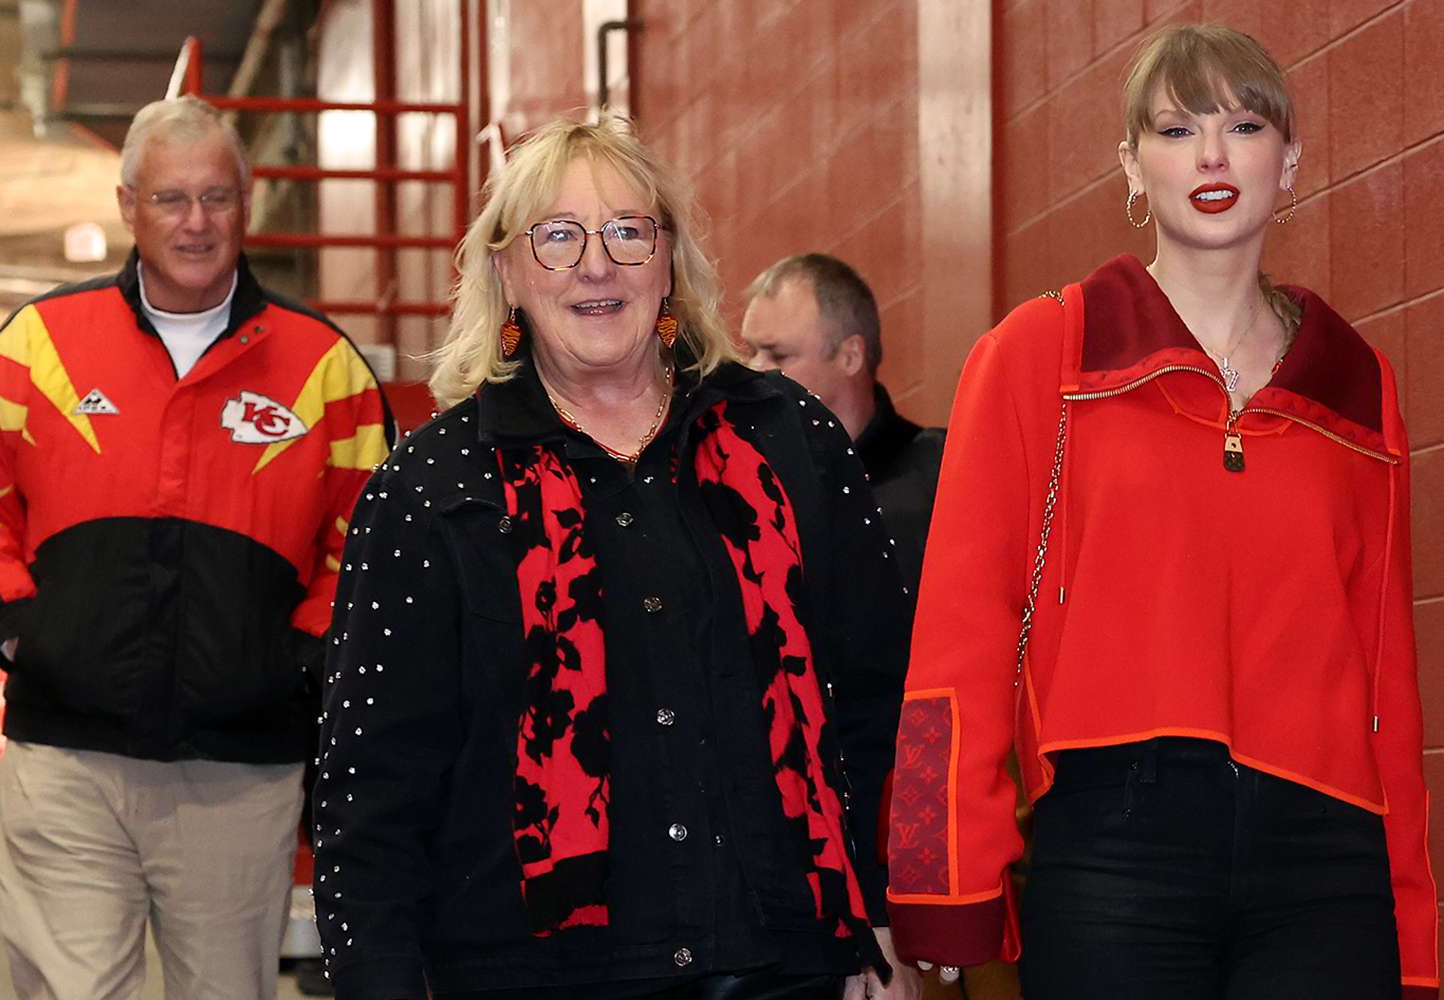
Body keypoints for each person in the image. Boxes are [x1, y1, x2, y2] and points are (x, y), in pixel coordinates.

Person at [312, 116, 921, 1000]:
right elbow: (369, 793)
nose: (596, 265)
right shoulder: (430, 488)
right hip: (529, 976)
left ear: (668, 261)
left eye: (628, 232)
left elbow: (877, 703)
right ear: (505, 272)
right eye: (557, 237)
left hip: (786, 960)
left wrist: (884, 919)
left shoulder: (790, 439)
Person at [887, 23, 1436, 1000]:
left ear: (1291, 161)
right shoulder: (1041, 354)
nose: (1214, 154)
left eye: (1245, 123)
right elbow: (957, 639)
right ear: (1132, 169)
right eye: (1177, 130)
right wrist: (942, 879)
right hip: (1111, 856)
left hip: (1328, 867)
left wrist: (1417, 930)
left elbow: (1386, 675)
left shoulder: (1358, 385)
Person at [0, 95, 393, 1000]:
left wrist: (298, 661)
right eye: (171, 199)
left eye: (217, 198)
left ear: (248, 201)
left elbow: (371, 544)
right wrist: (20, 630)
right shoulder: (39, 345)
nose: (196, 223)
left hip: (240, 774)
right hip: (68, 765)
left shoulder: (324, 369)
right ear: (127, 206)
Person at [741, 255, 945, 597]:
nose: (754, 370)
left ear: (850, 356)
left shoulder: (940, 475)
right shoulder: (744, 489)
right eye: (751, 351)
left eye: (779, 355)